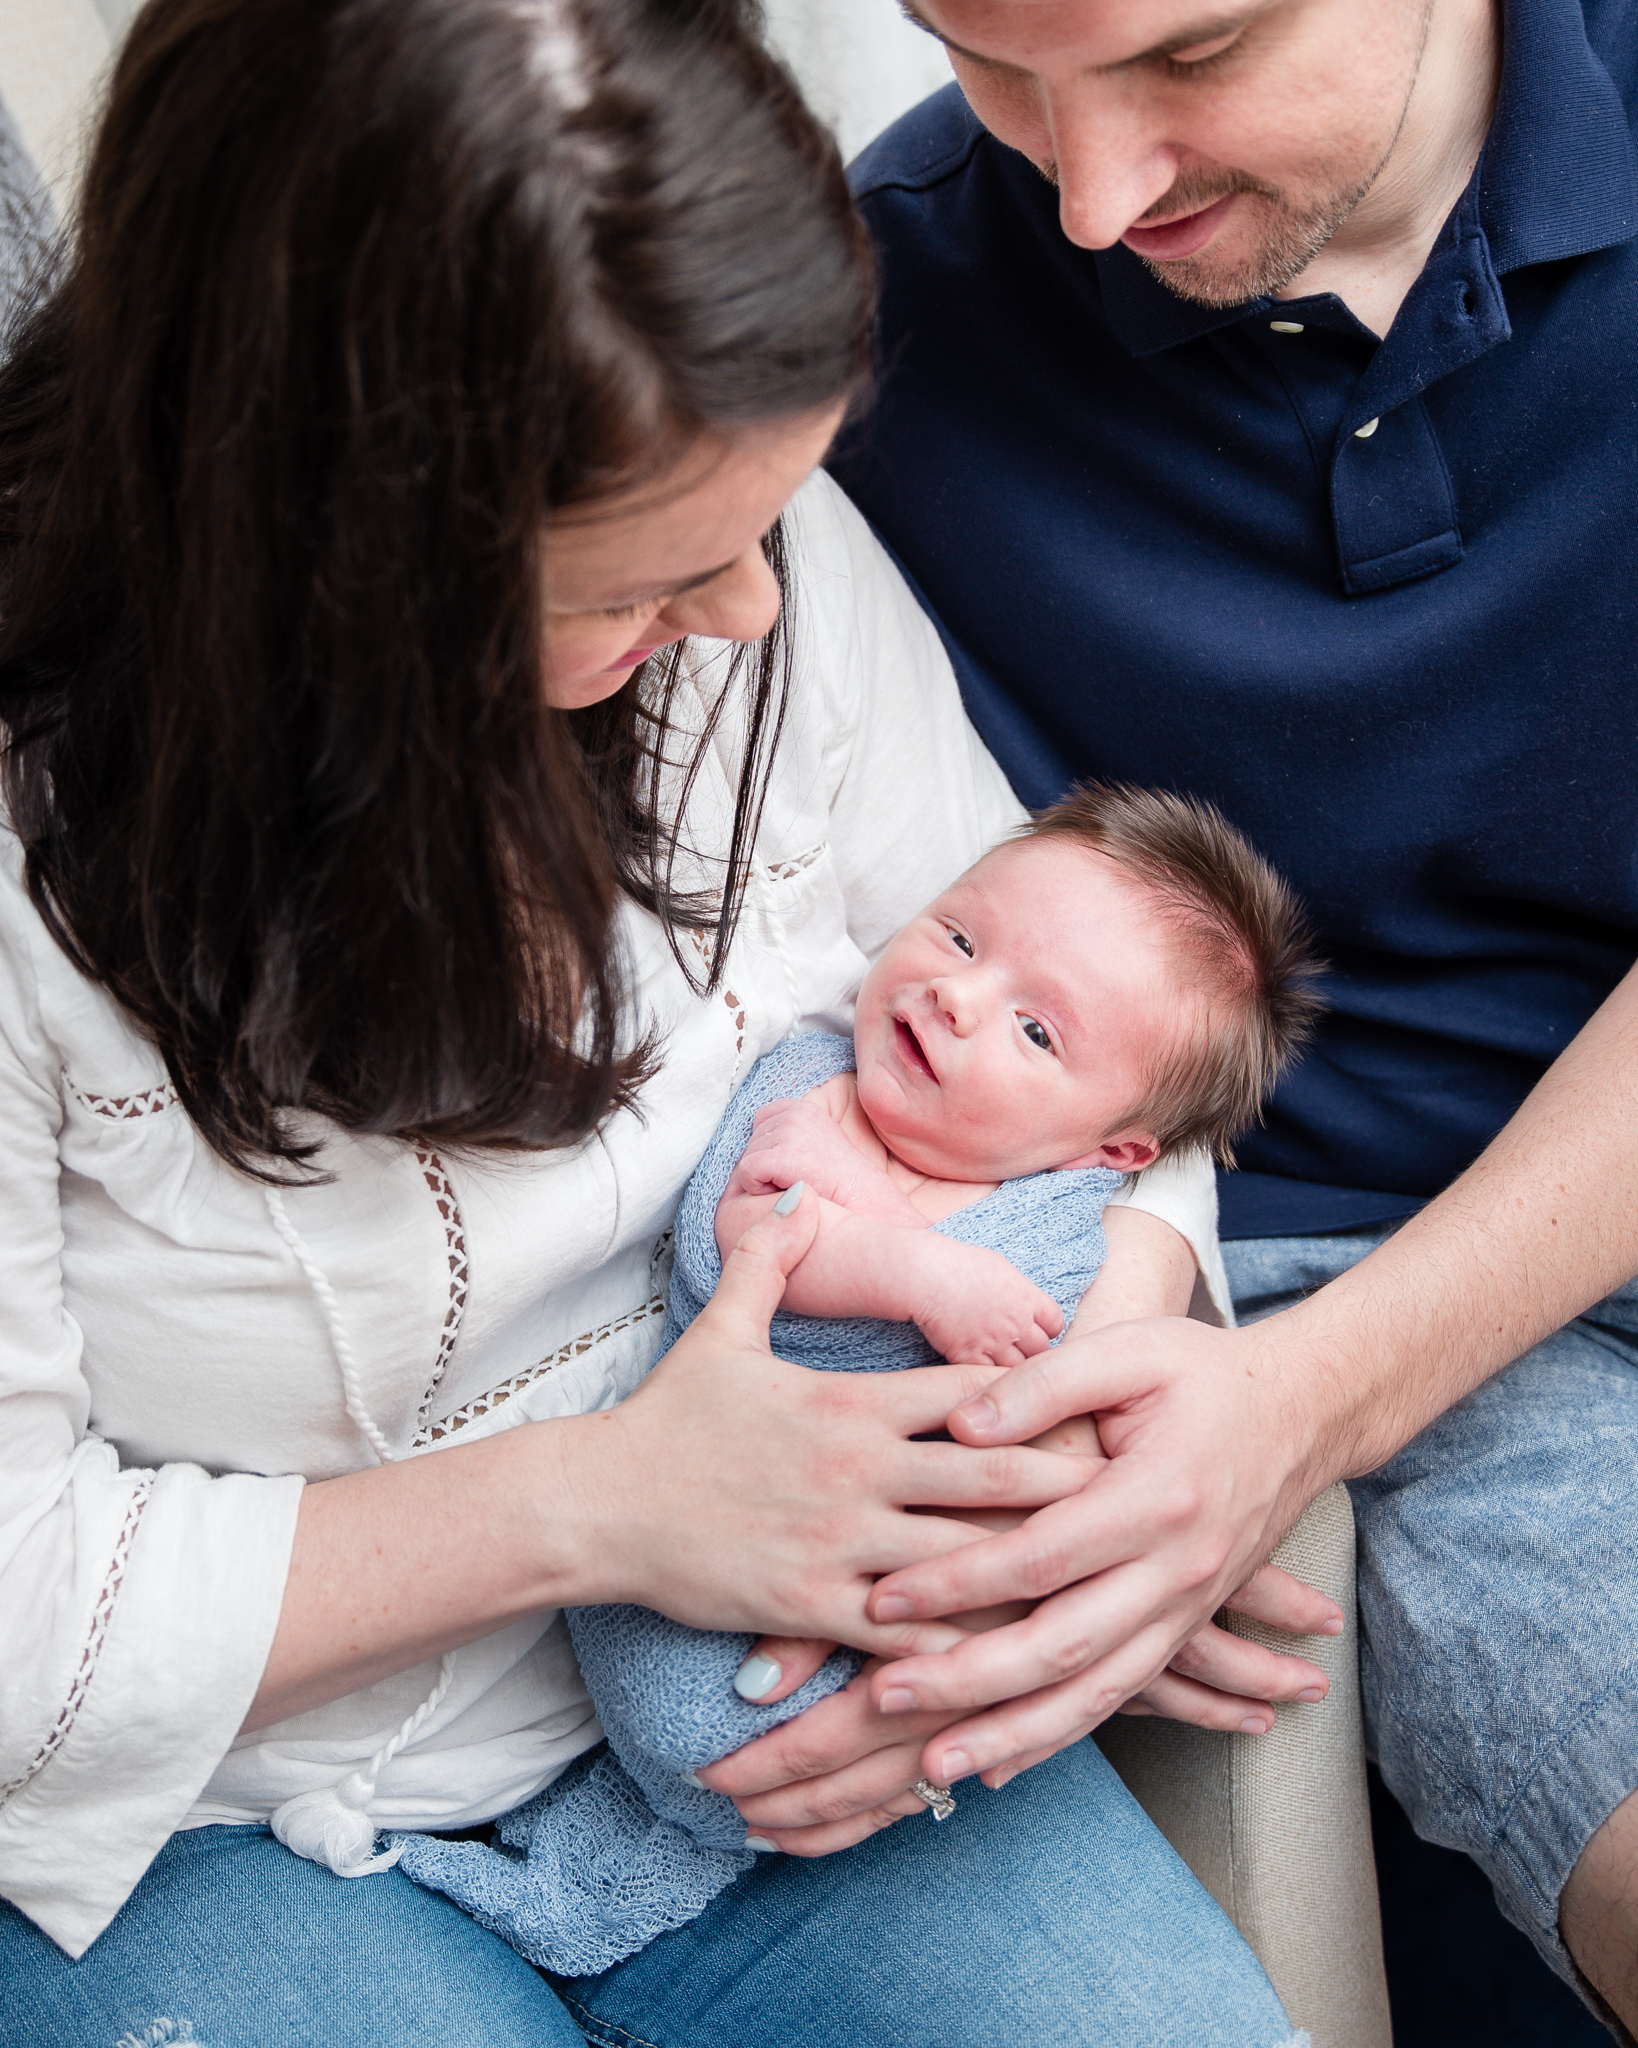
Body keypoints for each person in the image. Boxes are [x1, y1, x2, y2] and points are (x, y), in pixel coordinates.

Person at [0, 1, 1331, 2041]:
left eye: (762, 523)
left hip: (798, 1691)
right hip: (223, 1811)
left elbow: (1103, 1016)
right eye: (638, 578)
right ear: (342, 564)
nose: (750, 615)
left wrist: (1087, 1425)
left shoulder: (733, 537)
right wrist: (613, 1498)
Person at [814, 0, 1638, 2031]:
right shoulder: (869, 316)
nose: (1089, 195)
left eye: (1193, 53)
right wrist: (1285, 1391)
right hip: (1396, 1329)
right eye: (989, 60)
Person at [401, 783, 1324, 1971]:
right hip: (688, 1542)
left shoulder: (1064, 1214)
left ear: (1113, 1149)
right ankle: (623, 1829)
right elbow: (747, 1233)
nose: (957, 993)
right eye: (961, 934)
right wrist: (922, 1276)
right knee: (714, 1707)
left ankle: (638, 1862)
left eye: (1038, 1032)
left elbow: (1067, 1395)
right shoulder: (814, 1087)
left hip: (881, 1628)